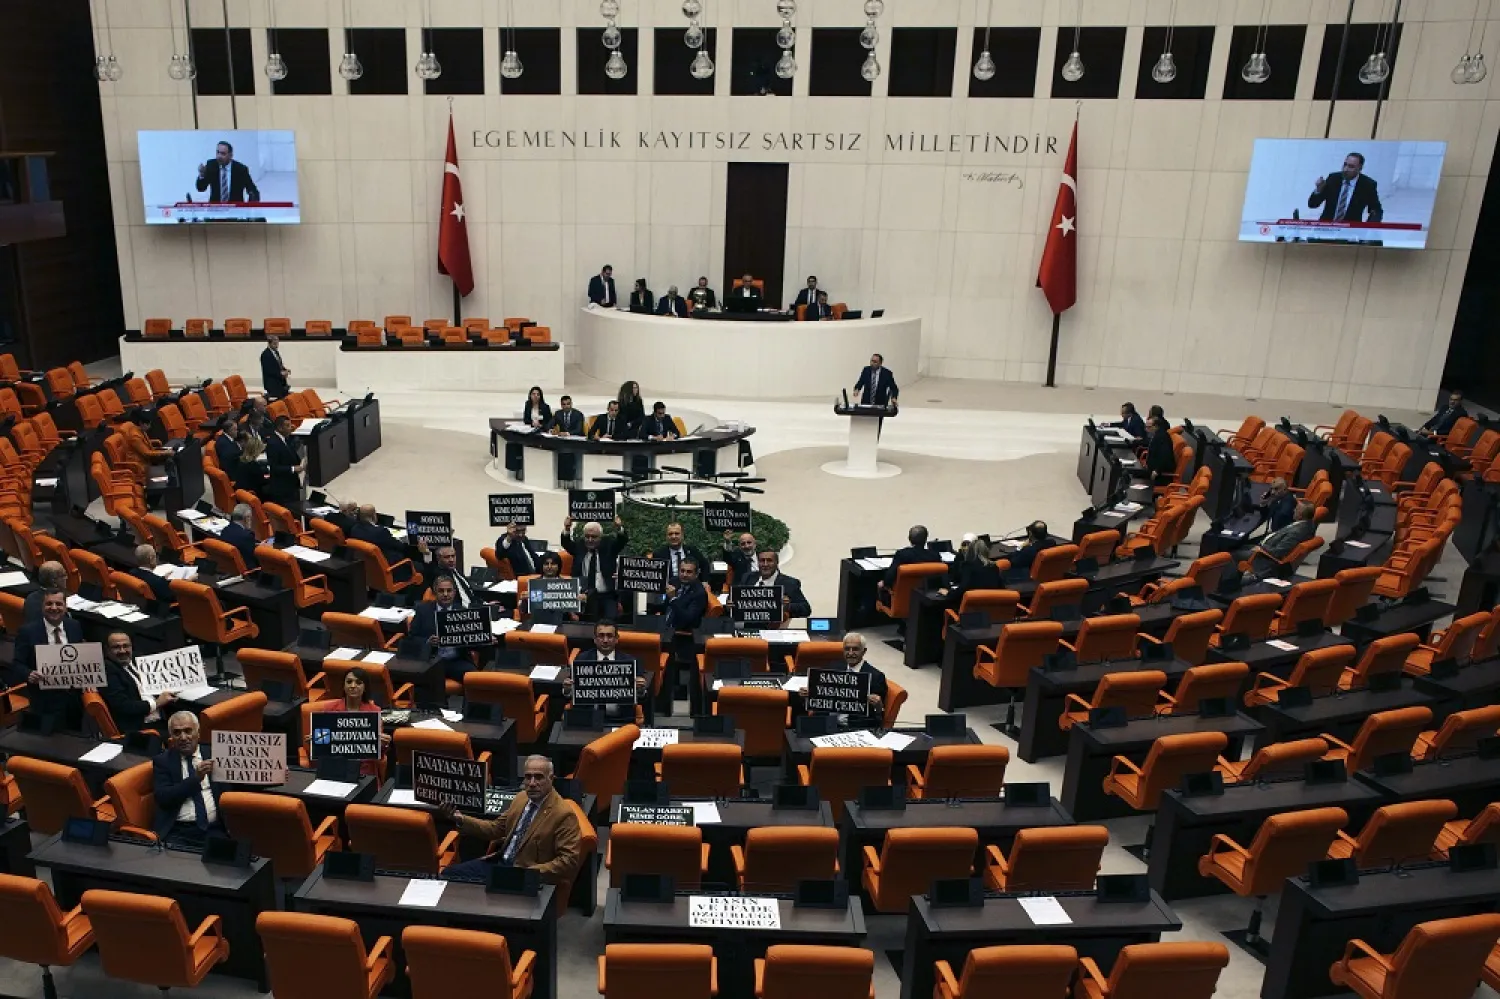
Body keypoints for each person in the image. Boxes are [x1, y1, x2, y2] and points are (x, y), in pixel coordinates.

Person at [438, 754, 582, 885]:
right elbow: (495, 829)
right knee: (449, 874)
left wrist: (528, 873)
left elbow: (568, 861)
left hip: (524, 875)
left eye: (538, 777)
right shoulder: (521, 798)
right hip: (500, 864)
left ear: (551, 779)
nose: (532, 783)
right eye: (528, 777)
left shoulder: (563, 814)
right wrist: (460, 818)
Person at [6, 589, 84, 725]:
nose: (54, 608)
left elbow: (81, 658)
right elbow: (17, 664)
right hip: (44, 700)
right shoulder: (27, 632)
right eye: (49, 604)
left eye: (58, 604)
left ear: (65, 607)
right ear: (42, 607)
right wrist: (29, 673)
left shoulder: (74, 626)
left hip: (73, 698)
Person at [152, 710, 224, 845]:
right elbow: (164, 798)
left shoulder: (216, 754)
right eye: (177, 733)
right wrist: (195, 779)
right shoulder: (163, 761)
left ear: (198, 732)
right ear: (171, 737)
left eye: (188, 731)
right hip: (179, 831)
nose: (183, 737)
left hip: (214, 829)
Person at [309, 667, 391, 777]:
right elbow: (323, 748)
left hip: (363, 771)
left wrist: (382, 745)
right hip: (334, 768)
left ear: (365, 687)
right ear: (343, 686)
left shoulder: (374, 711)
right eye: (349, 682)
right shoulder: (330, 709)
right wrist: (316, 742)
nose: (353, 686)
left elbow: (377, 755)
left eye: (358, 683)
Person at [566, 621, 650, 725]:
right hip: (588, 719)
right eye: (601, 636)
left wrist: (641, 690)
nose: (605, 640)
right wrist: (567, 689)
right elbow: (571, 693)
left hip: (621, 720)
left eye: (610, 636)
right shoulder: (582, 659)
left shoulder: (631, 662)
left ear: (616, 639)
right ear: (595, 639)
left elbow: (642, 698)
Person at [101, 632, 177, 734]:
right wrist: (157, 703)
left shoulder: (139, 659)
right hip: (142, 728)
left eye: (126, 646)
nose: (122, 651)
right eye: (116, 647)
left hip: (164, 716)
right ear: (107, 650)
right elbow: (123, 706)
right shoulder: (107, 670)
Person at [560, 515, 629, 621]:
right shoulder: (579, 546)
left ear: (601, 537)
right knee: (584, 622)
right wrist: (567, 528)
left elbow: (622, 540)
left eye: (594, 537)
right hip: (585, 595)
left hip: (607, 595)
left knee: (610, 619)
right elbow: (566, 543)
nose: (590, 540)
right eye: (587, 536)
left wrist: (619, 527)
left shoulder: (609, 546)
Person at [409, 576, 473, 684]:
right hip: (431, 660)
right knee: (431, 683)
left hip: (456, 661)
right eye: (441, 591)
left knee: (474, 680)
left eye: (449, 590)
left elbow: (472, 639)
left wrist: (486, 638)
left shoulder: (463, 612)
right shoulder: (423, 610)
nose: (445, 594)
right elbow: (411, 638)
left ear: (454, 592)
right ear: (435, 593)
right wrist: (427, 641)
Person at [1241, 502, 1318, 578]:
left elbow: (1278, 552)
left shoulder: (1297, 532)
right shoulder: (1307, 524)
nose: (1294, 510)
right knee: (1242, 546)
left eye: (1296, 509)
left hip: (1265, 557)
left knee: (1235, 553)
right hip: (1266, 547)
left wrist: (1261, 548)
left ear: (1300, 515)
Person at [832, 633, 888, 729]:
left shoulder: (876, 677)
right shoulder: (833, 668)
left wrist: (878, 706)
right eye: (847, 649)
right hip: (829, 724)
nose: (850, 653)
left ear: (864, 651)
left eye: (855, 649)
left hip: (855, 728)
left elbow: (878, 716)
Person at [1308, 152, 1383, 223]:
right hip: (1327, 227)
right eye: (1345, 165)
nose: (1346, 169)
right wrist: (1318, 190)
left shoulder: (1367, 185)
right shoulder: (1333, 178)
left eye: (1351, 167)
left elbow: (1376, 210)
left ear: (1360, 168)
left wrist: (1367, 227)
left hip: (1351, 229)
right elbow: (1312, 204)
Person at [742, 550, 810, 622]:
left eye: (769, 560)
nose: (765, 564)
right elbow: (736, 600)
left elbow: (806, 609)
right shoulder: (748, 578)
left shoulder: (789, 583)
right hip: (748, 625)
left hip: (773, 626)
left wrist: (787, 606)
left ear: (777, 562)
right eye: (762, 561)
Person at [881, 525, 945, 591]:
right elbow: (943, 577)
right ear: (925, 539)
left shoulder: (902, 554)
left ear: (909, 538)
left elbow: (889, 577)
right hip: (929, 595)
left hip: (904, 595)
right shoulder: (935, 555)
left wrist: (884, 583)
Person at [194, 140, 260, 203]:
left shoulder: (241, 169)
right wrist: (202, 175)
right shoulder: (211, 165)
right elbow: (201, 188)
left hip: (235, 208)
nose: (219, 156)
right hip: (215, 208)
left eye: (223, 154)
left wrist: (250, 204)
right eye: (217, 152)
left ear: (230, 155)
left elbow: (253, 190)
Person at [524, 553, 580, 625]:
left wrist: (573, 613)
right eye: (546, 564)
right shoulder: (535, 584)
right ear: (542, 566)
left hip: (561, 623)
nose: (549, 567)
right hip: (538, 622)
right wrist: (524, 601)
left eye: (553, 564)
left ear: (558, 566)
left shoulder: (567, 585)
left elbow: (571, 610)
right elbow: (525, 610)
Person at [263, 414, 304, 505]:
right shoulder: (273, 443)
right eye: (288, 426)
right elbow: (274, 467)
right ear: (280, 428)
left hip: (291, 484)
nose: (291, 428)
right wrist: (293, 468)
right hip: (282, 488)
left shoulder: (286, 439)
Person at [654, 522, 708, 587]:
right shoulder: (659, 554)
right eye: (670, 534)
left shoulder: (692, 551)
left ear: (682, 535)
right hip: (669, 588)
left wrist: (704, 581)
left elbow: (705, 565)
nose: (673, 536)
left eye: (677, 533)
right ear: (666, 536)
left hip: (691, 588)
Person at [664, 558, 708, 632]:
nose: (684, 575)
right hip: (665, 627)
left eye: (689, 572)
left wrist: (673, 599)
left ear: (696, 574)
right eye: (682, 571)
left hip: (684, 633)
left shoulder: (699, 593)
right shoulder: (674, 582)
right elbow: (665, 606)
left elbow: (687, 619)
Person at [221, 503, 260, 571]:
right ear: (247, 518)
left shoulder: (225, 530)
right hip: (249, 571)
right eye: (250, 517)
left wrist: (255, 544)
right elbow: (254, 558)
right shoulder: (247, 535)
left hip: (230, 567)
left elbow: (240, 544)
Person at [1144, 415, 1177, 487]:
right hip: (1152, 469)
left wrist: (1157, 471)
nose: (1146, 429)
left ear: (1156, 426)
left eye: (1148, 427)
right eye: (1145, 427)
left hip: (1161, 474)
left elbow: (1165, 456)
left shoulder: (1162, 437)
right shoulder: (1157, 434)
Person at [260, 333, 290, 399]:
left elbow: (279, 365)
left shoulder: (276, 352)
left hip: (280, 382)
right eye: (274, 344)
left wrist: (285, 370)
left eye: (277, 343)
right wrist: (281, 373)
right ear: (269, 343)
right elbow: (268, 370)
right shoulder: (265, 354)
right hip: (272, 383)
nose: (276, 346)